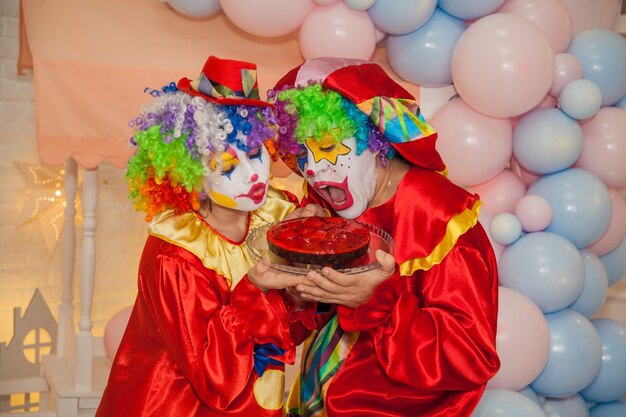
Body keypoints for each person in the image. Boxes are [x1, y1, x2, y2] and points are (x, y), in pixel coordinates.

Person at [268, 57, 500, 417]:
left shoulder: (439, 218)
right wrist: (301, 279)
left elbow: (469, 357)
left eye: (328, 147)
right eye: (302, 155)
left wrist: (377, 301)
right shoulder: (327, 204)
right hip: (317, 398)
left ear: (375, 140)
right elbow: (305, 324)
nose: (312, 169)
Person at [95, 55, 317, 417]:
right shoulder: (177, 256)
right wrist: (256, 288)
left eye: (255, 153)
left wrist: (304, 289)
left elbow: (284, 336)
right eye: (228, 165)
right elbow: (216, 378)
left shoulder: (276, 217)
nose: (253, 174)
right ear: (191, 176)